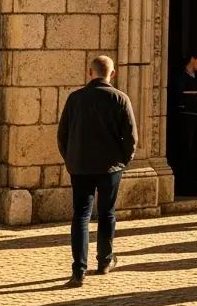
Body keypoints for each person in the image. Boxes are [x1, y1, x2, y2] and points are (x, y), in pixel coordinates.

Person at [57, 56, 138, 287]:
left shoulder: (75, 99)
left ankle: (78, 270)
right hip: (110, 167)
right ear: (112, 74)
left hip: (80, 166)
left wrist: (70, 158)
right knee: (107, 213)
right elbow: (131, 137)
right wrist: (123, 160)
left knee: (81, 215)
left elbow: (62, 134)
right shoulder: (120, 98)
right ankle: (104, 261)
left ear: (90, 72)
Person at [167, 49, 197, 196]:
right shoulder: (179, 76)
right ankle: (182, 186)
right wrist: (195, 100)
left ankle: (193, 184)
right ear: (192, 59)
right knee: (184, 153)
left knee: (195, 153)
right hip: (183, 122)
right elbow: (177, 96)